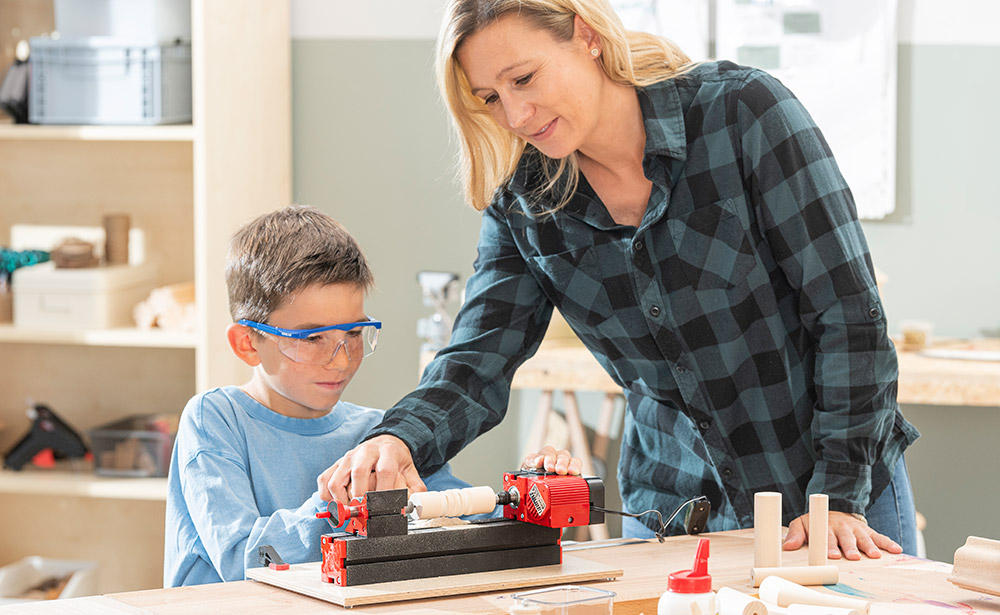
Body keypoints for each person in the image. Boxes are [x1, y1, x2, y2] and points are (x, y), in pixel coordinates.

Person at [318, 0, 920, 560]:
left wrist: (836, 496)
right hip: (674, 517)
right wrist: (396, 439)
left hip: (831, 497)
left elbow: (848, 318)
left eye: (524, 78)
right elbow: (477, 360)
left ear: (585, 34)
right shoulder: (524, 203)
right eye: (490, 98)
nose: (516, 115)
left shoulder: (742, 113)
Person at [164, 205, 476, 587]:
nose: (341, 359)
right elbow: (243, 561)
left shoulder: (378, 436)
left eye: (355, 334)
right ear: (247, 343)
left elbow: (465, 519)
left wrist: (532, 488)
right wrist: (336, 508)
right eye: (312, 339)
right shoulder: (214, 419)